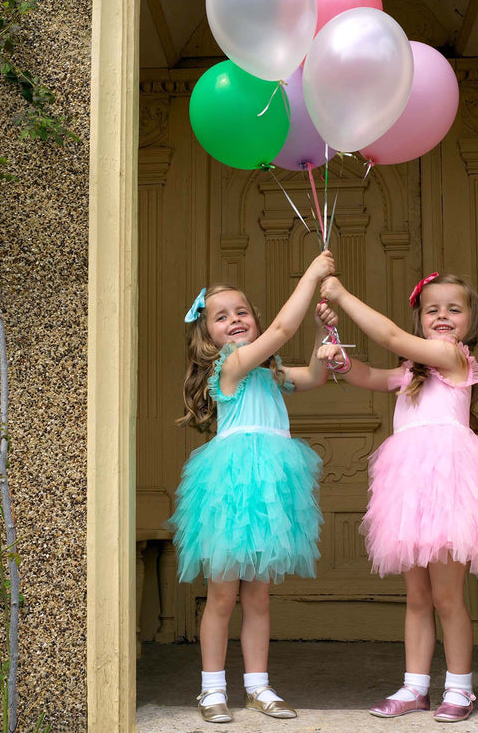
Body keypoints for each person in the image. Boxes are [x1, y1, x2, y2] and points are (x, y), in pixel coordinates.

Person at [317, 272, 478, 723]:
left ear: (470, 320)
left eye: (453, 308)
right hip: (409, 493)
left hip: (448, 488)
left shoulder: (453, 357)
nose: (443, 316)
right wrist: (340, 362)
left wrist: (343, 295)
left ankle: (460, 689)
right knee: (416, 597)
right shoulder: (411, 372)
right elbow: (370, 375)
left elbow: (389, 336)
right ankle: (415, 687)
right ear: (421, 317)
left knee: (448, 596)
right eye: (432, 309)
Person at [168, 251, 336, 724]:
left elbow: (316, 376)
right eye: (222, 317)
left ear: (253, 319)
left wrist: (325, 335)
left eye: (242, 312)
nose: (235, 320)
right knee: (222, 595)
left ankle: (258, 687)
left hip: (269, 493)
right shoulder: (233, 368)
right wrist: (312, 274)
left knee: (258, 595)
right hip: (231, 490)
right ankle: (212, 689)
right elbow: (282, 331)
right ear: (208, 336)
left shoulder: (269, 372)